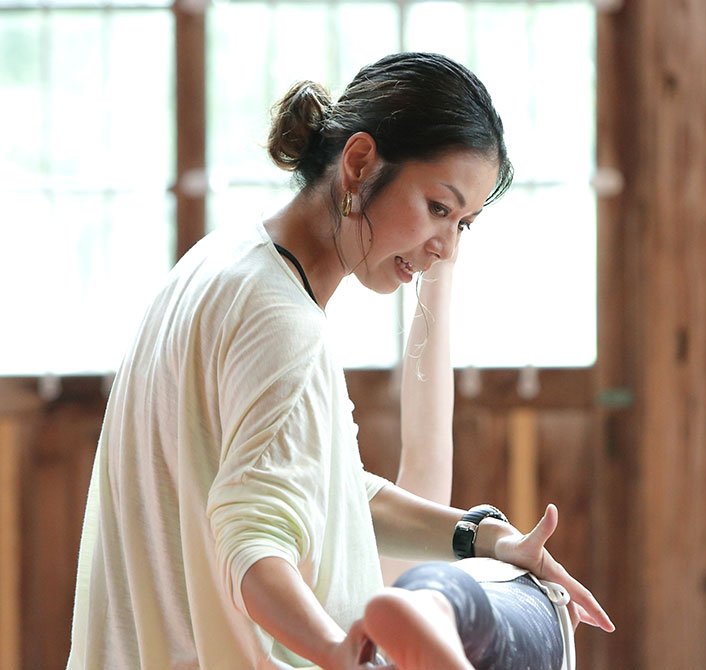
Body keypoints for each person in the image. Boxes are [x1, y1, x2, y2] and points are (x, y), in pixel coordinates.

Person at [66, 52, 612, 670]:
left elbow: (325, 496)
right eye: (439, 208)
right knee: (533, 622)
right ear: (359, 164)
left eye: (465, 224)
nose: (446, 248)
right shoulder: (281, 322)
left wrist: (484, 536)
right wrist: (336, 650)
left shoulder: (219, 264)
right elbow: (254, 543)